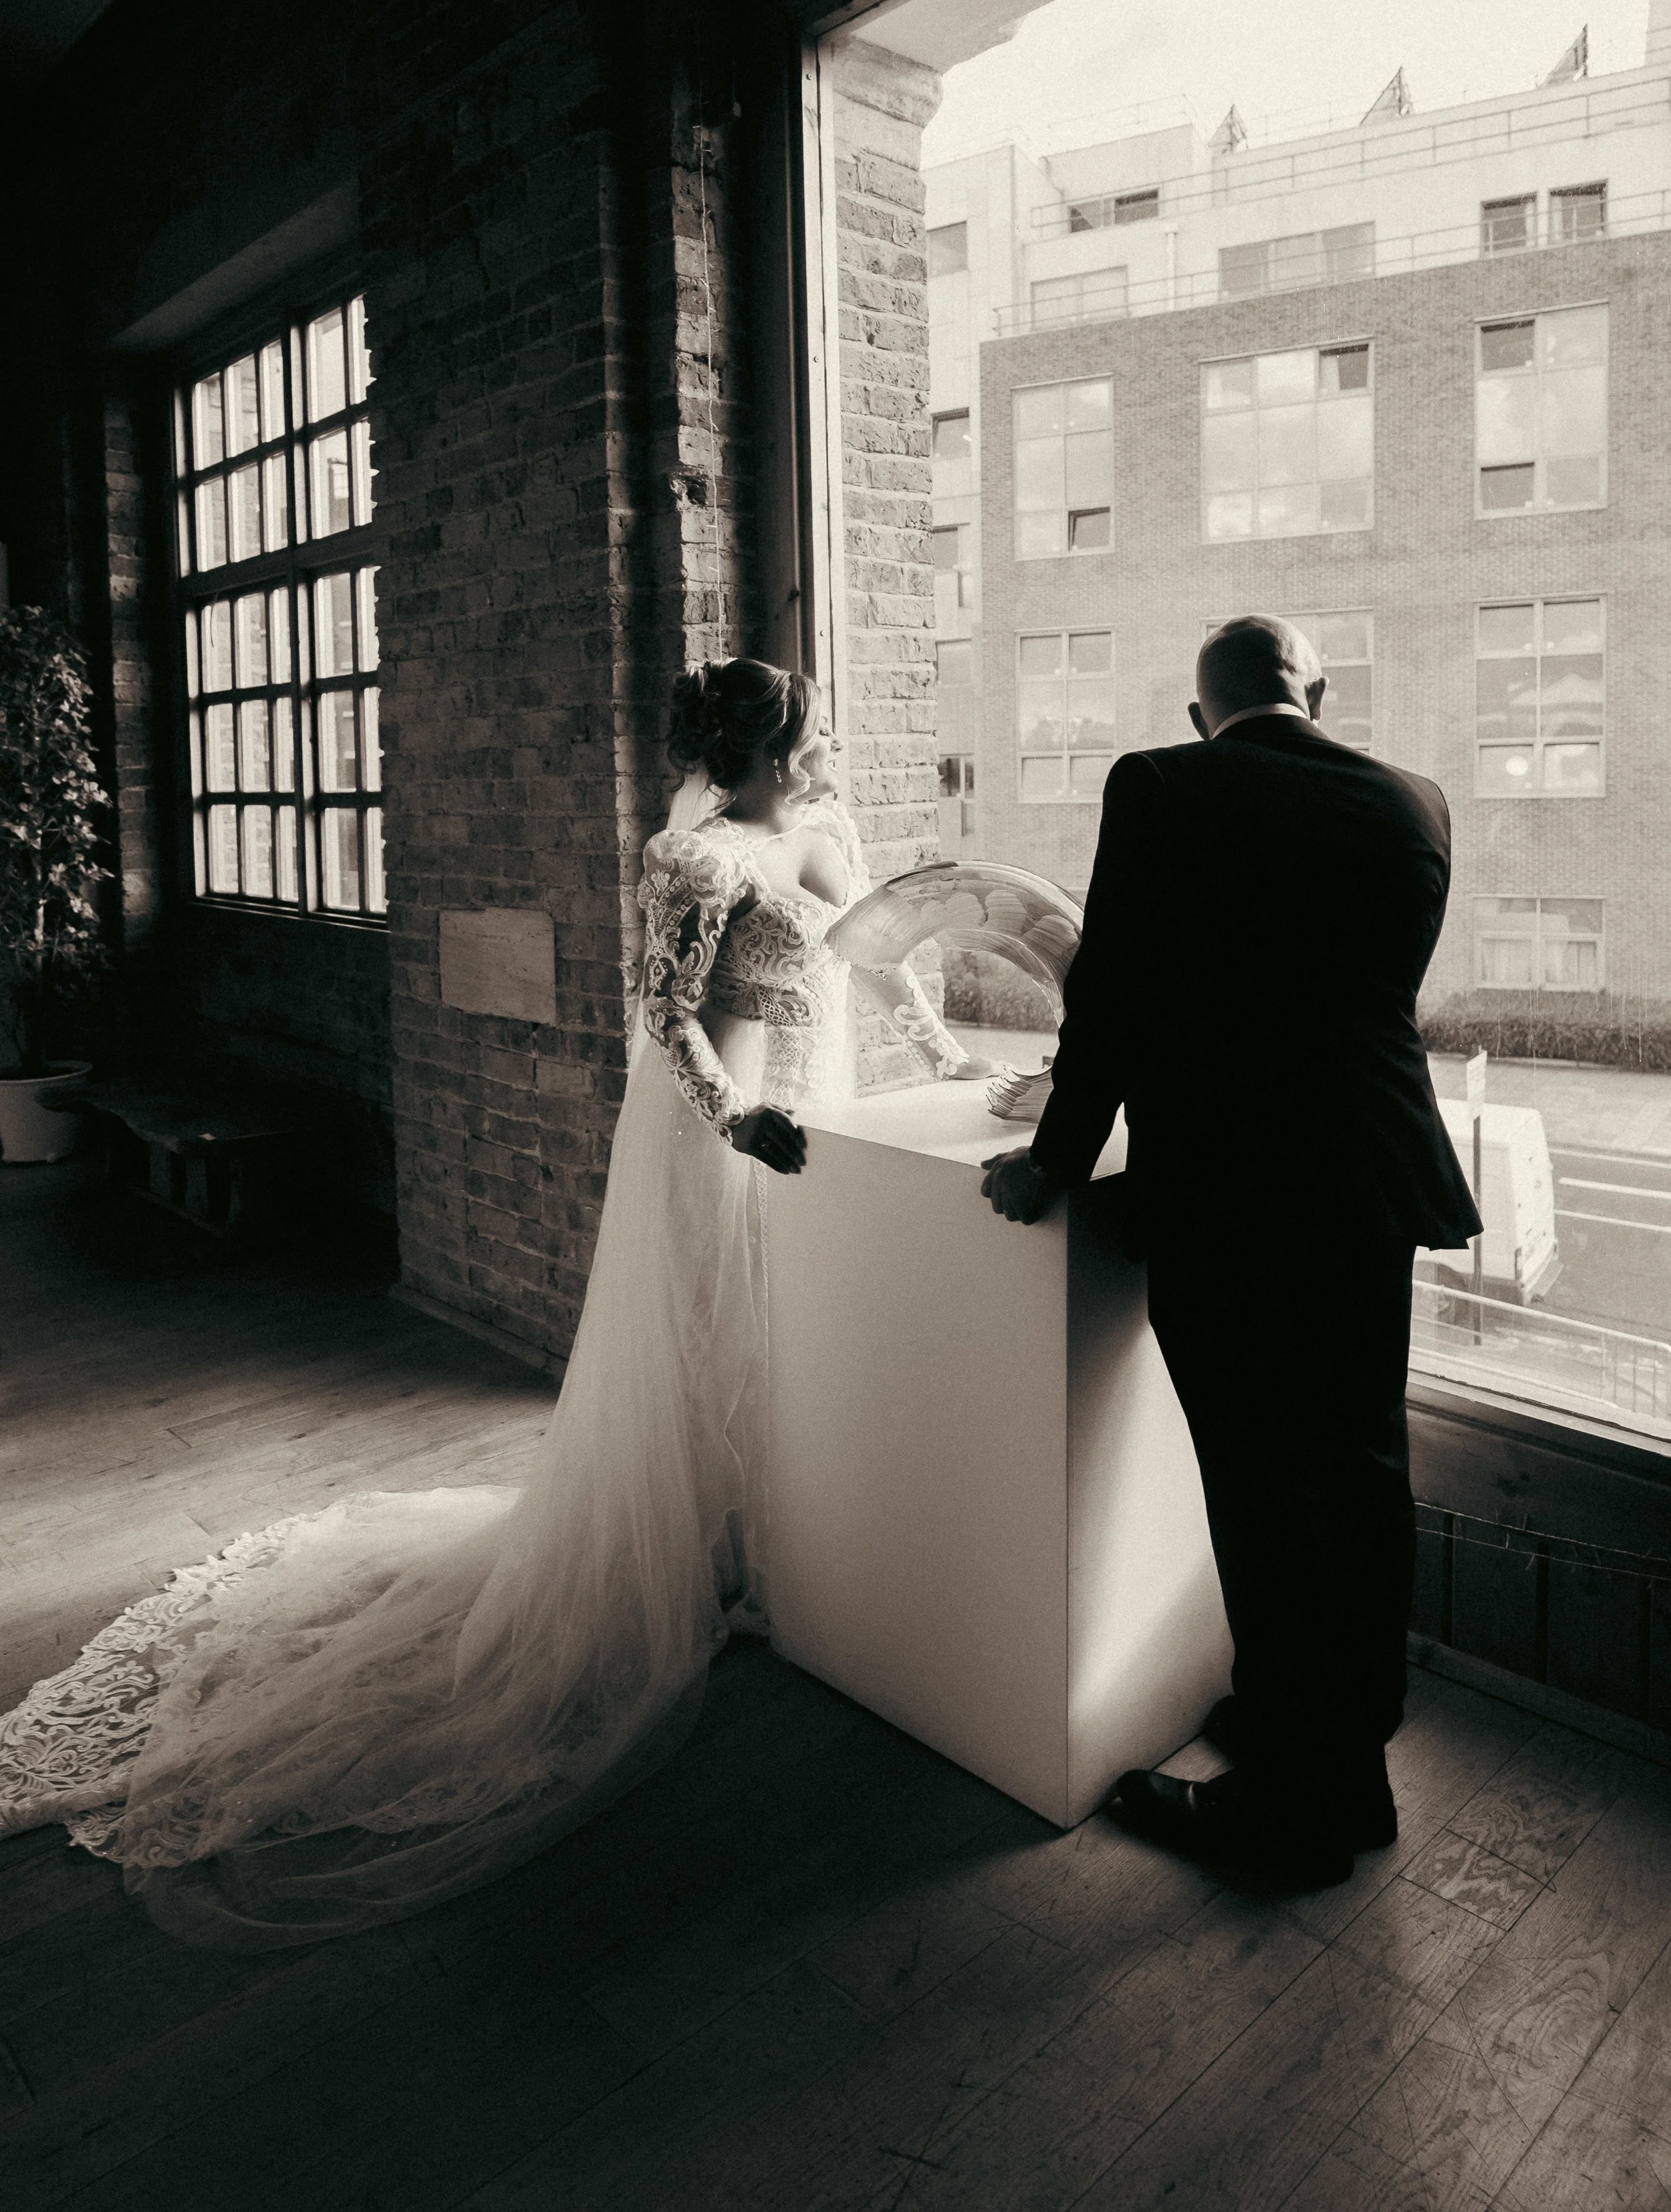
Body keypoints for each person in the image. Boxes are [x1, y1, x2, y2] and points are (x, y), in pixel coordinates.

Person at [0, 658, 962, 1948]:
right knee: (713, 1330)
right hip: (733, 1120)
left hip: (825, 1105)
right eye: (810, 730)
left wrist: (955, 1060)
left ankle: (786, 1538)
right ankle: (709, 1553)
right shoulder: (695, 856)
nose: (831, 741)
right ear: (758, 751)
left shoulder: (832, 832)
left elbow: (885, 962)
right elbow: (664, 1013)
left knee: (798, 1331)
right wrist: (739, 1121)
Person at [981, 614, 1480, 1888]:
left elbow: (1117, 996)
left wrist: (1053, 1156)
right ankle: (1348, 1763)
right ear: (1313, 691)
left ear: (1201, 711)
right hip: (1373, 1182)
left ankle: (1292, 1807)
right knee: (1361, 1476)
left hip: (1237, 1194)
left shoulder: (1162, 783)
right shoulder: (1413, 801)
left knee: (1263, 1490)